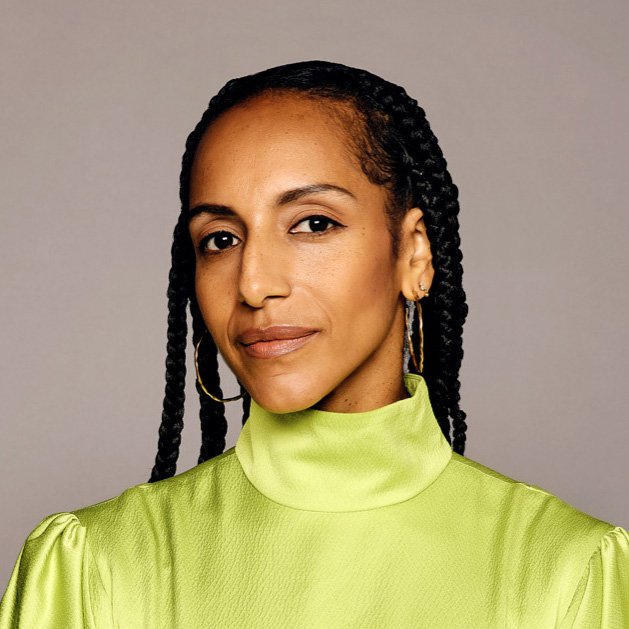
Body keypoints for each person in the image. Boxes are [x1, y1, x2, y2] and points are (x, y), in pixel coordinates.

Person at [0, 60, 627, 628]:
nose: (253, 284)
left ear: (413, 254)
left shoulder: (566, 571)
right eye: (221, 239)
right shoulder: (94, 566)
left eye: (313, 223)